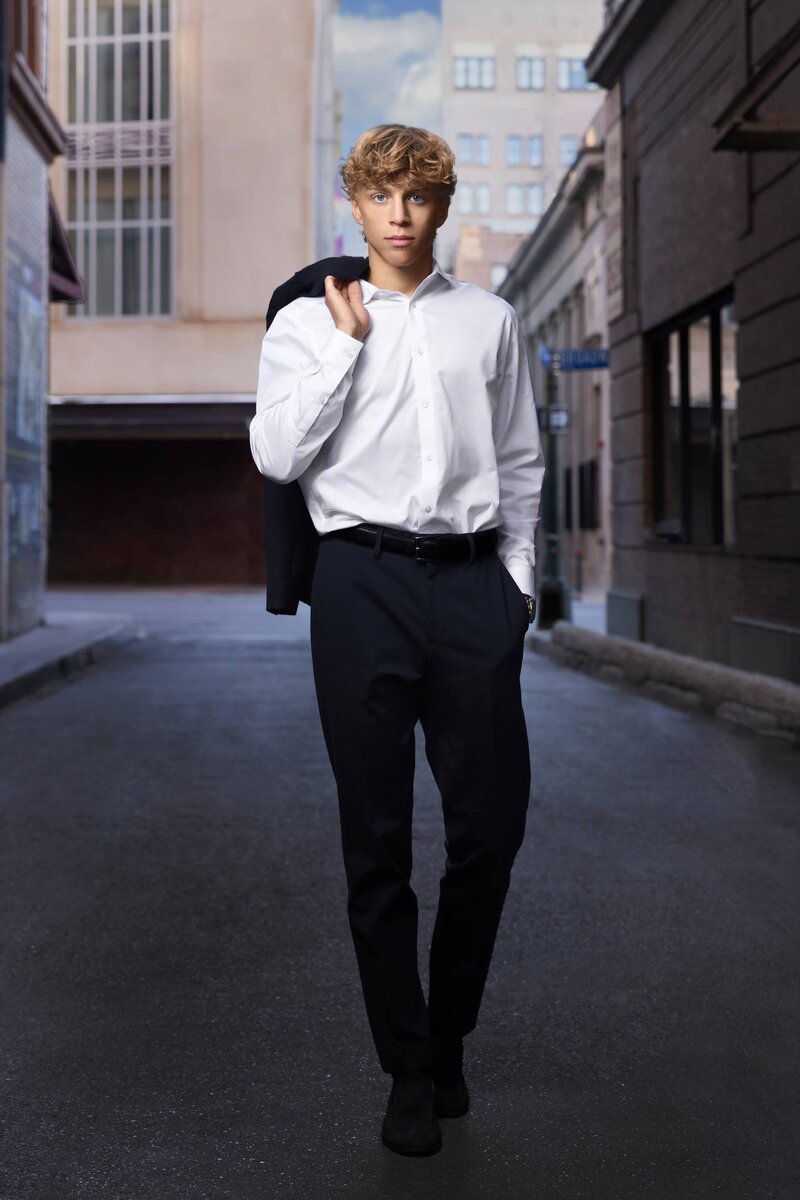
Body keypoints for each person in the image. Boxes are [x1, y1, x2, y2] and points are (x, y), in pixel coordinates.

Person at [249, 124, 545, 1157]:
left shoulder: (489, 322)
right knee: (376, 839)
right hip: (360, 580)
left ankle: (448, 1031)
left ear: (441, 205)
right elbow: (277, 450)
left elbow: (518, 461)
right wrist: (343, 345)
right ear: (356, 205)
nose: (399, 214)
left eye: (417, 196)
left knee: (489, 830)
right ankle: (408, 1066)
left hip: (470, 586)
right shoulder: (305, 322)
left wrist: (517, 588)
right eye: (380, 196)